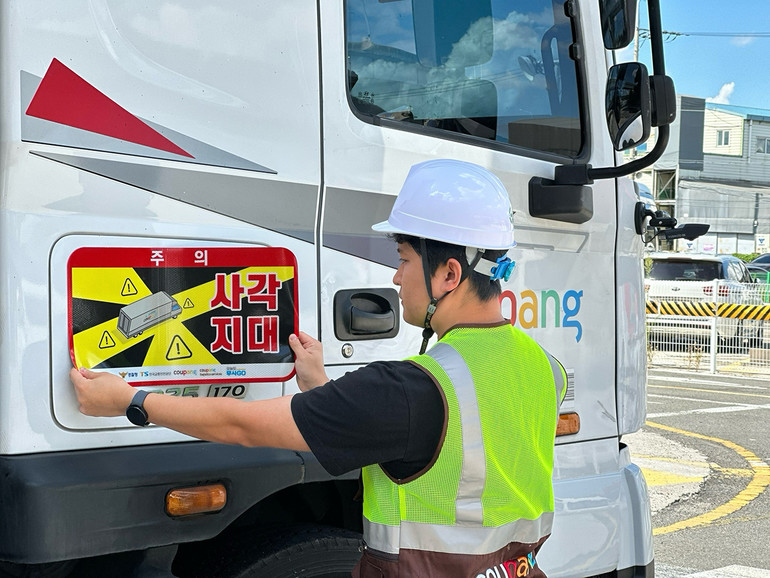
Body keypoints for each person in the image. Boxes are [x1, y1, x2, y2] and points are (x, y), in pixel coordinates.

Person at [71, 159, 566, 578]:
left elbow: (243, 426)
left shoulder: (413, 390)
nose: (395, 277)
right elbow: (442, 451)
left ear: (449, 273)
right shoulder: (544, 367)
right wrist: (322, 389)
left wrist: (131, 401)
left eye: (404, 259)